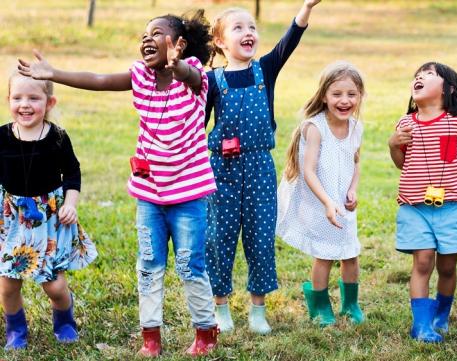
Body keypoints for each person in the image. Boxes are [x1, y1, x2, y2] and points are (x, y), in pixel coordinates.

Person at [18, 10, 219, 357]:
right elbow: (98, 78)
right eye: (144, 33)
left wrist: (178, 66)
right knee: (148, 264)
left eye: (156, 33)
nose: (146, 38)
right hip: (150, 197)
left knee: (190, 265)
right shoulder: (140, 75)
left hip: (189, 197)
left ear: (179, 44)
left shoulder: (195, 78)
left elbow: (188, 75)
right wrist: (55, 74)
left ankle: (205, 331)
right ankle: (150, 336)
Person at [204, 0, 321, 334]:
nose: (248, 32)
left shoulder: (265, 70)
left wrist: (306, 7)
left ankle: (257, 310)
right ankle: (220, 307)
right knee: (218, 237)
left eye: (252, 27)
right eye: (238, 28)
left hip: (258, 167)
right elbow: (197, 125)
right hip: (221, 170)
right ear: (221, 43)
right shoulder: (212, 81)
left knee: (260, 236)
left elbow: (290, 39)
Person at [388, 62, 457, 343]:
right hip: (415, 207)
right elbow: (402, 163)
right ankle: (421, 326)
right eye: (417, 76)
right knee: (423, 262)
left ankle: (441, 315)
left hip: (453, 207)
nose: (419, 78)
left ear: (447, 88)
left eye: (428, 74)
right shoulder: (405, 123)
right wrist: (392, 144)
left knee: (447, 266)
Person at [0, 71, 97, 350]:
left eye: (34, 97)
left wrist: (70, 203)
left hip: (49, 219)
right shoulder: (2, 137)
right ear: (8, 100)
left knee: (54, 286)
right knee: (7, 285)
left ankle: (65, 321)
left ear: (50, 102)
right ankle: (16, 330)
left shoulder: (57, 137)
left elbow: (72, 173)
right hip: (12, 220)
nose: (25, 104)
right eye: (17, 97)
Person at [277, 61, 365, 327]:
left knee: (350, 253)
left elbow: (356, 161)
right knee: (325, 254)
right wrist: (327, 201)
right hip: (318, 201)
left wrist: (352, 190)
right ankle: (319, 304)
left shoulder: (356, 127)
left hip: (342, 202)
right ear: (324, 96)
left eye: (351, 94)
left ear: (360, 96)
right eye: (337, 94)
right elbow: (309, 171)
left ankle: (350, 304)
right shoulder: (315, 128)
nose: (344, 100)